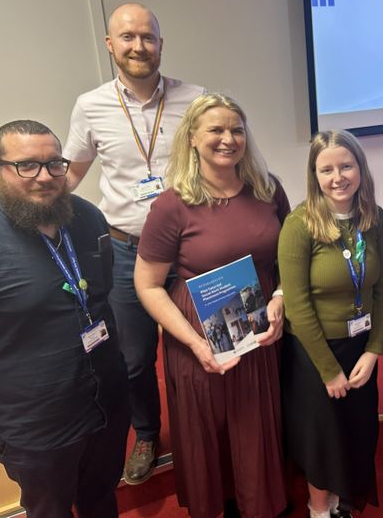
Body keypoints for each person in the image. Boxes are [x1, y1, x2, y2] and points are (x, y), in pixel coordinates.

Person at [63, 2, 205, 484]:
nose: (138, 46)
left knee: (199, 345)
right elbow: (73, 173)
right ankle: (147, 434)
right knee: (134, 358)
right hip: (128, 251)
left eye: (147, 37)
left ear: (161, 45)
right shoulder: (91, 105)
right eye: (127, 37)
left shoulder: (195, 99)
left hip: (189, 248)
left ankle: (200, 433)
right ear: (110, 45)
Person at [133, 94, 288, 518]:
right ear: (193, 139)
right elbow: (147, 285)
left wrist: (279, 297)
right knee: (209, 432)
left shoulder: (267, 189)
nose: (228, 139)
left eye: (236, 129)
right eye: (216, 130)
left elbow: (288, 260)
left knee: (254, 427)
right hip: (198, 336)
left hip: (258, 333)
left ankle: (257, 505)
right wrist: (195, 344)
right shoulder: (172, 204)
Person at [0, 120, 129, 517]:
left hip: (104, 402)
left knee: (101, 497)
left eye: (54, 164)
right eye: (27, 166)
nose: (45, 177)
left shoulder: (88, 218)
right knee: (50, 510)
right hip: (36, 427)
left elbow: (101, 293)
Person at [278, 130, 383, 518]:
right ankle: (319, 508)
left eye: (346, 165)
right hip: (314, 353)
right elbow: (296, 304)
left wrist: (375, 349)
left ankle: (345, 500)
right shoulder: (299, 224)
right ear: (314, 174)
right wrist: (328, 371)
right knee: (322, 438)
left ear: (360, 167)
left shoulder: (374, 218)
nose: (337, 177)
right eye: (326, 169)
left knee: (357, 429)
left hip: (360, 348)